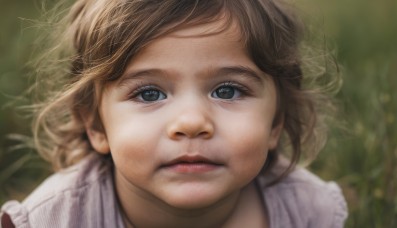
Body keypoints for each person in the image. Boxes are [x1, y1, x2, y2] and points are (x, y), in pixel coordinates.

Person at [0, 0, 348, 227]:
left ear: (276, 120)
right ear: (95, 124)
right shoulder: (57, 219)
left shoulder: (307, 212)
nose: (192, 122)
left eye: (228, 90)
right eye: (149, 93)